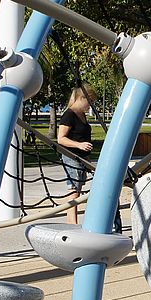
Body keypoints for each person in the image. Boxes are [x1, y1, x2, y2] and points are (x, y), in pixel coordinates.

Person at [57, 85, 96, 224]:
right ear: (82, 98)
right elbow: (61, 138)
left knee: (79, 188)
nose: (91, 105)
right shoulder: (69, 114)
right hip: (71, 156)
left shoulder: (82, 115)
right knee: (74, 190)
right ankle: (72, 223)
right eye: (90, 101)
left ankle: (73, 221)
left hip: (83, 157)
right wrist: (79, 145)